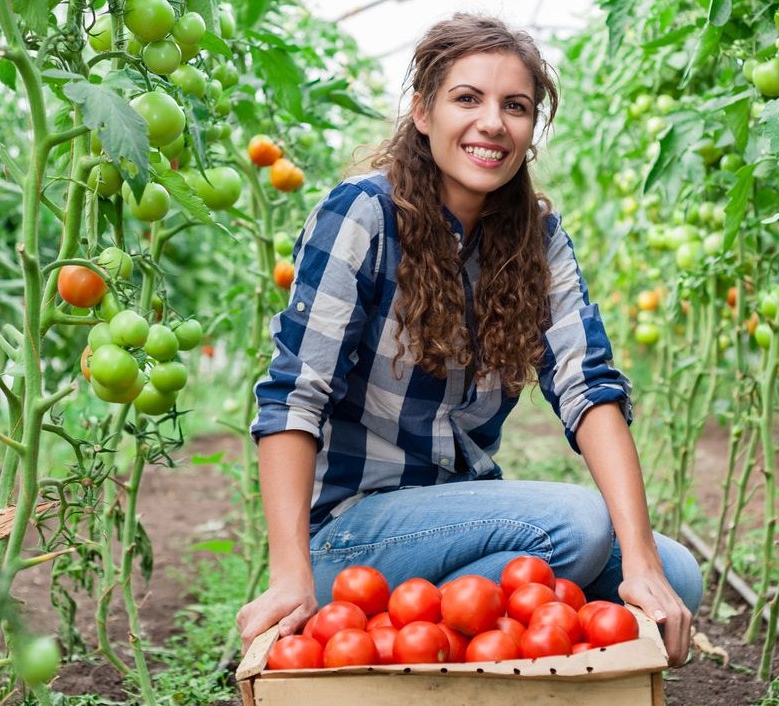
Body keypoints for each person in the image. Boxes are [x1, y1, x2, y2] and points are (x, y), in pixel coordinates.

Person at [235, 13, 702, 666]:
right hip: (350, 534)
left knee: (675, 575)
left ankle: (425, 629)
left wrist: (643, 565)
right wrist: (286, 570)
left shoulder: (534, 239)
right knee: (580, 528)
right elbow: (292, 395)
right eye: (467, 98)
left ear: (530, 129)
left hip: (452, 517)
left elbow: (586, 384)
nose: (493, 123)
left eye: (515, 106)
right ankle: (362, 610)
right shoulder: (363, 216)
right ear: (422, 112)